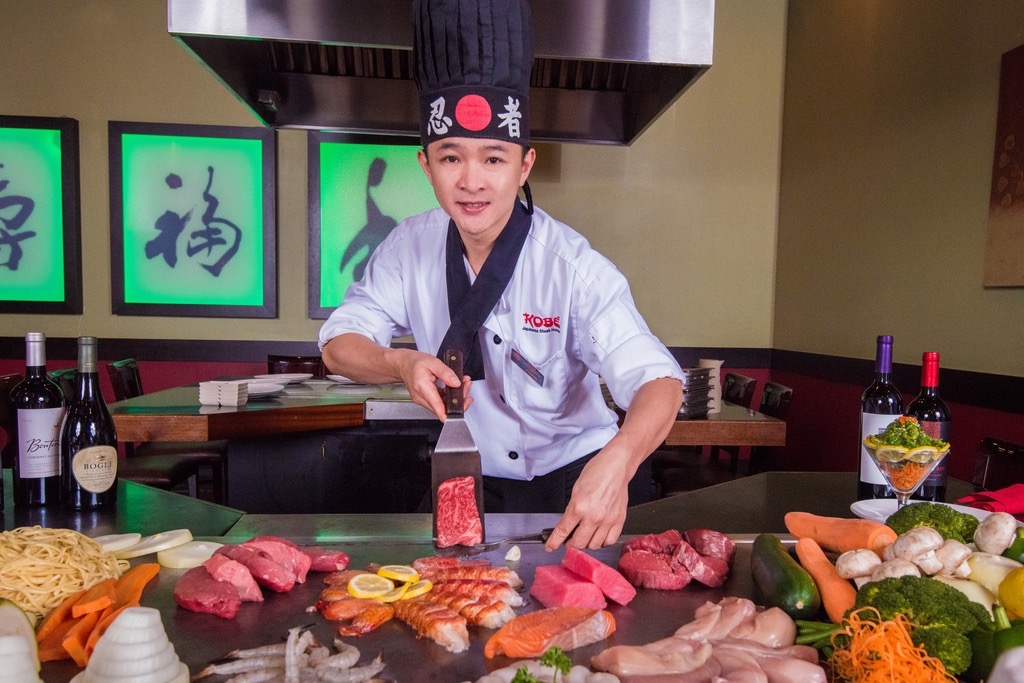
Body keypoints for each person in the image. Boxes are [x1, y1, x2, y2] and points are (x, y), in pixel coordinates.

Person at [319, 0, 684, 551]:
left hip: (575, 475)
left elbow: (659, 382)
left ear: (524, 166)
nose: (472, 182)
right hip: (470, 475)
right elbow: (337, 345)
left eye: (493, 159)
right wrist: (400, 361)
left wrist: (620, 462)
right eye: (450, 158)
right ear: (425, 165)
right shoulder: (407, 248)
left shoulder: (572, 266)